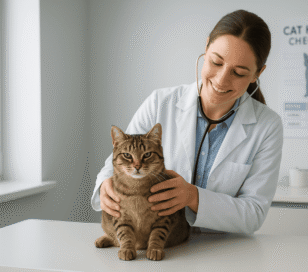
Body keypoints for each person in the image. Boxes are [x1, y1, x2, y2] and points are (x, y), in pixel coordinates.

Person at [91, 9, 283, 236]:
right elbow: (116, 160)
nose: (221, 80)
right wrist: (105, 184)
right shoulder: (160, 103)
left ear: (257, 74)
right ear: (206, 48)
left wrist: (193, 197)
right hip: (164, 248)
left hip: (224, 251)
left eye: (239, 73)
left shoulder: (267, 126)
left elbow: (254, 213)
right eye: (216, 62)